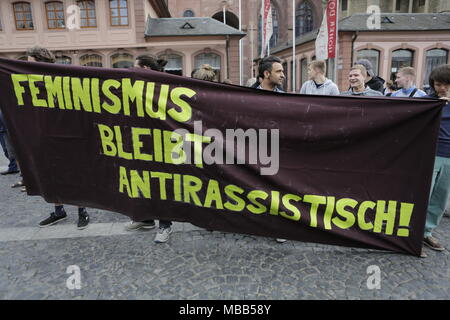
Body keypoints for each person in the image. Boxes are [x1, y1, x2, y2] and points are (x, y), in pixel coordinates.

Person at [26, 46, 90, 230]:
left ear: (42, 61)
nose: (28, 66)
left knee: (74, 174)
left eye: (31, 62)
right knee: (50, 174)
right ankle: (58, 211)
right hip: (44, 135)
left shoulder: (62, 78)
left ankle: (82, 211)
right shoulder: (30, 81)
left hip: (67, 135)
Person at [123, 54, 173, 243]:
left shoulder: (163, 86)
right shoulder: (137, 86)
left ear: (144, 69)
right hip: (140, 142)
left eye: (134, 67)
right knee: (141, 181)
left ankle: (165, 225)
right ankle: (145, 218)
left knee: (160, 185)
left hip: (161, 144)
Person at [421, 64, 450, 257]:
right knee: (422, 195)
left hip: (449, 157)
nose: (443, 88)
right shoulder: (426, 102)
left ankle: (426, 232)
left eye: (447, 84)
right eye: (439, 84)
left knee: (440, 198)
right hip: (429, 154)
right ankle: (413, 234)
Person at [0, 110, 19, 175]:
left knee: (11, 150)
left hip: (6, 129)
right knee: (7, 150)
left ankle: (14, 166)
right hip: (2, 129)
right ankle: (13, 166)